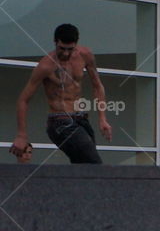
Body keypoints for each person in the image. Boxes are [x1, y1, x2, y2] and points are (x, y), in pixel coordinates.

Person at [9, 24, 112, 164]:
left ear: (76, 44)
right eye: (62, 48)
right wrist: (21, 135)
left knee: (83, 167)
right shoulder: (46, 66)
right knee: (94, 163)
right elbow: (23, 100)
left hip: (81, 120)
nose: (65, 53)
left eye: (70, 49)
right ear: (55, 42)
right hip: (59, 122)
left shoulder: (85, 55)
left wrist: (102, 118)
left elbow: (98, 86)